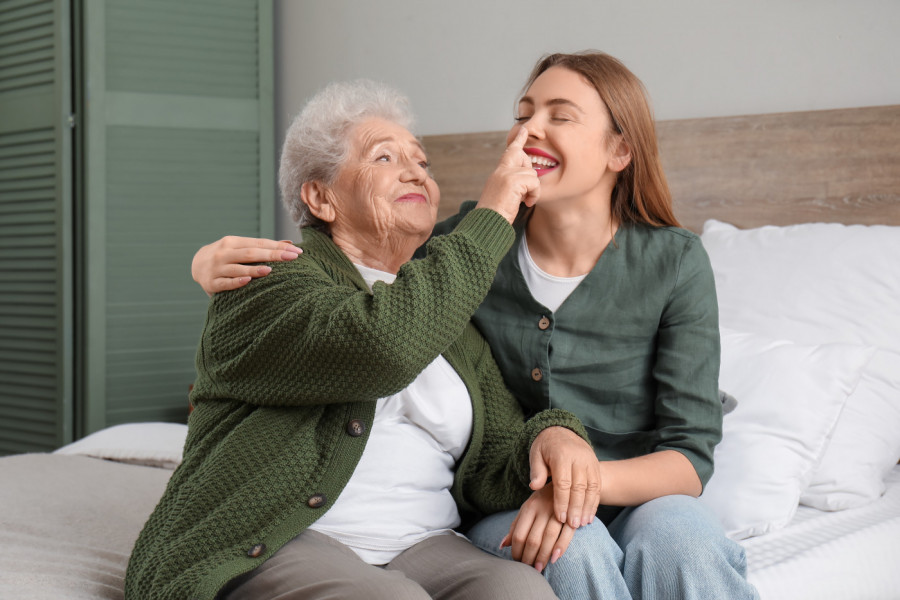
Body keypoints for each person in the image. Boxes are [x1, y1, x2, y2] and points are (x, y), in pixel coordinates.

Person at [190, 52, 760, 600]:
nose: (529, 130)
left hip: (623, 493)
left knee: (684, 541)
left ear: (620, 150)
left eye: (560, 116)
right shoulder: (465, 245)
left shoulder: (673, 260)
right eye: (523, 114)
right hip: (512, 499)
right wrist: (202, 265)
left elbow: (689, 453)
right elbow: (368, 277)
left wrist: (571, 486)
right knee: (571, 549)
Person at [125, 79, 602, 600]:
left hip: (424, 543)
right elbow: (383, 347)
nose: (415, 172)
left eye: (422, 162)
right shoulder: (266, 282)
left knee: (519, 591)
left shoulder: (452, 321)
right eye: (384, 157)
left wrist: (552, 435)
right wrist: (493, 215)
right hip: (283, 538)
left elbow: (495, 463)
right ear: (321, 197)